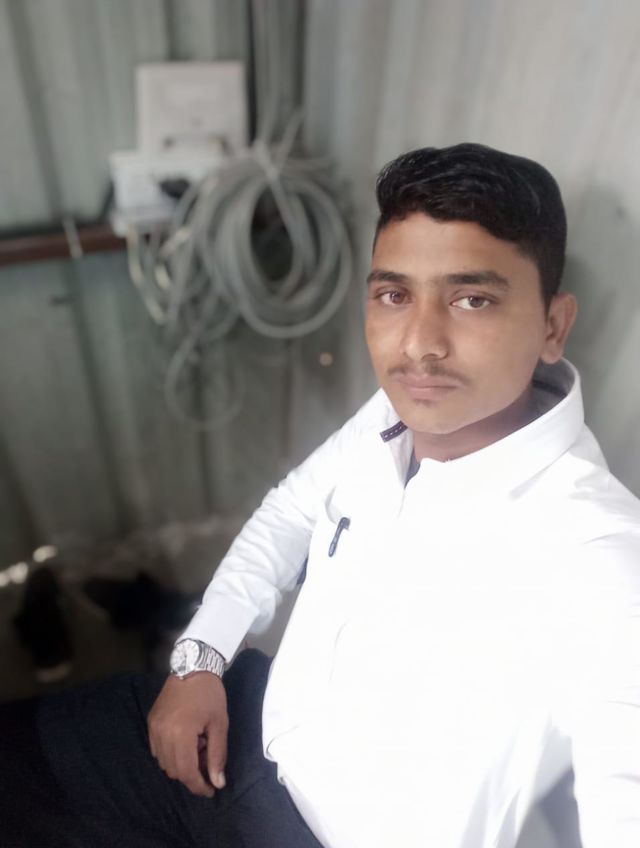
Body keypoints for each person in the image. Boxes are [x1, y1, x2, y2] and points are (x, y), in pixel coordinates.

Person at [2, 143, 639, 848]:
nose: (419, 345)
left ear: (553, 326)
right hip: (242, 731)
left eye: (472, 299)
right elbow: (289, 513)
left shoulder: (599, 547)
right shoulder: (393, 416)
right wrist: (200, 658)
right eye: (395, 295)